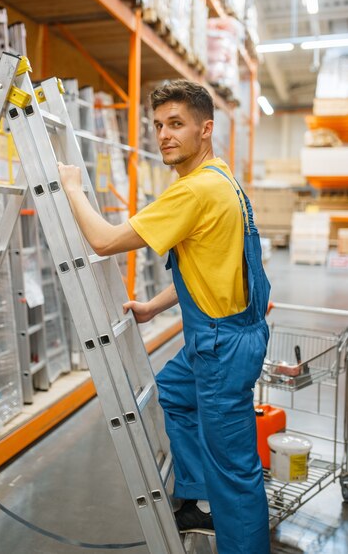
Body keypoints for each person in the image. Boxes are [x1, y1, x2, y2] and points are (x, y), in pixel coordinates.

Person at [58, 79, 271, 554]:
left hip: (220, 346)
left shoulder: (194, 192)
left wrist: (71, 189)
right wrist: (154, 306)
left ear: (205, 129)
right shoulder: (221, 178)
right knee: (173, 392)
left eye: (176, 124)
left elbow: (105, 241)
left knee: (235, 473)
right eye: (158, 125)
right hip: (226, 334)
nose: (164, 135)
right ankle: (196, 498)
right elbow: (209, 265)